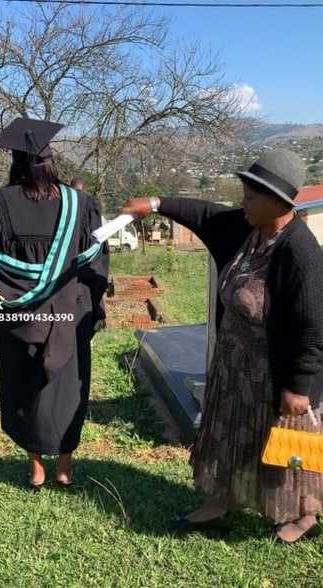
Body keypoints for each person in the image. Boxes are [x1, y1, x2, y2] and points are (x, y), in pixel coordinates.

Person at [122, 148, 323, 544]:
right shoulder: (247, 229)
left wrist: (299, 386)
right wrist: (156, 204)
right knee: (227, 435)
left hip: (274, 373)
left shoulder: (300, 253)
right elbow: (203, 213)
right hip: (234, 367)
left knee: (290, 447)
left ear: (277, 202)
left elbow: (314, 327)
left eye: (250, 197)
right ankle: (218, 503)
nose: (241, 203)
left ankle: (305, 515)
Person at [0, 117, 109, 490]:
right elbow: (95, 265)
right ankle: (64, 466)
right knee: (67, 390)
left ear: (15, 161)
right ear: (51, 161)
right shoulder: (83, 205)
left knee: (23, 387)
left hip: (18, 317)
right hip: (68, 317)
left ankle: (36, 469)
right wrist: (86, 309)